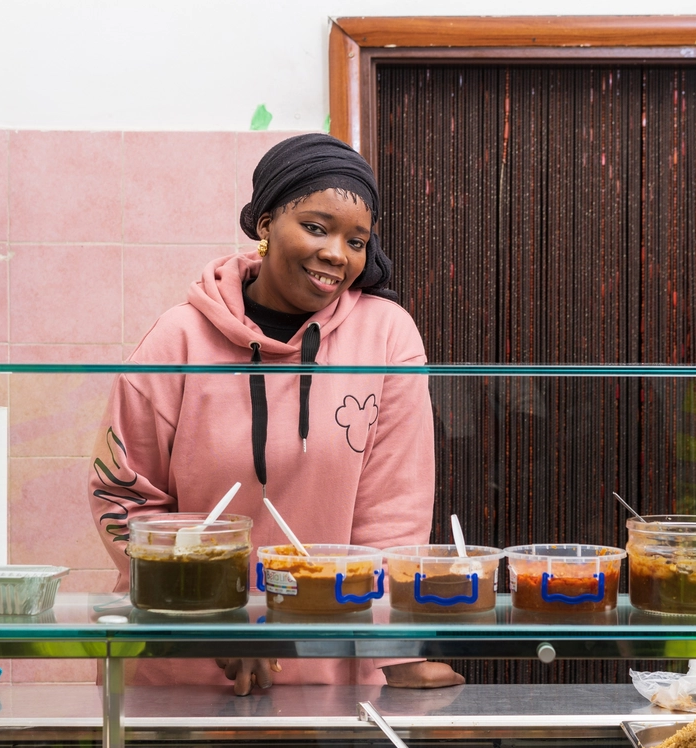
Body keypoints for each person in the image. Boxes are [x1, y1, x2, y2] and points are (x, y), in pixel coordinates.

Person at [89, 133, 463, 694]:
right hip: (179, 657)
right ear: (264, 224)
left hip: (332, 663)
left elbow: (393, 513)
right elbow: (123, 498)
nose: (338, 253)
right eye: (316, 227)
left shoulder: (387, 335)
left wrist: (397, 650)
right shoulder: (177, 338)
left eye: (356, 240)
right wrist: (221, 625)